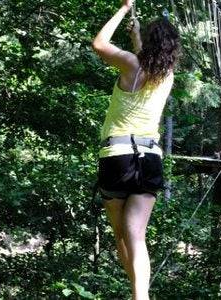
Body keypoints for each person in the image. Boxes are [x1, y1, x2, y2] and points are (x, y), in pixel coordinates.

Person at [92, 1, 179, 299]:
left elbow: (100, 44)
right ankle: (140, 297)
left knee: (121, 238)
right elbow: (148, 60)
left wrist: (122, 9)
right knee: (136, 237)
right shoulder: (166, 76)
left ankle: (138, 295)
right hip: (149, 158)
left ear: (150, 43)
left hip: (117, 157)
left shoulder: (131, 64)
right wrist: (136, 37)